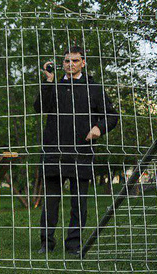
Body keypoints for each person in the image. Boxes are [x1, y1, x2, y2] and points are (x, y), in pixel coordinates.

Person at [34, 46, 118, 255]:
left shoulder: (94, 87)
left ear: (83, 63)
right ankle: (46, 243)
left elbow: (112, 115)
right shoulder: (55, 84)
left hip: (81, 152)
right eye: (66, 61)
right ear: (62, 63)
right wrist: (48, 80)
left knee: (78, 203)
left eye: (75, 61)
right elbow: (39, 107)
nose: (70, 64)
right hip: (54, 151)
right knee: (50, 202)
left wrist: (99, 128)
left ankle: (73, 244)